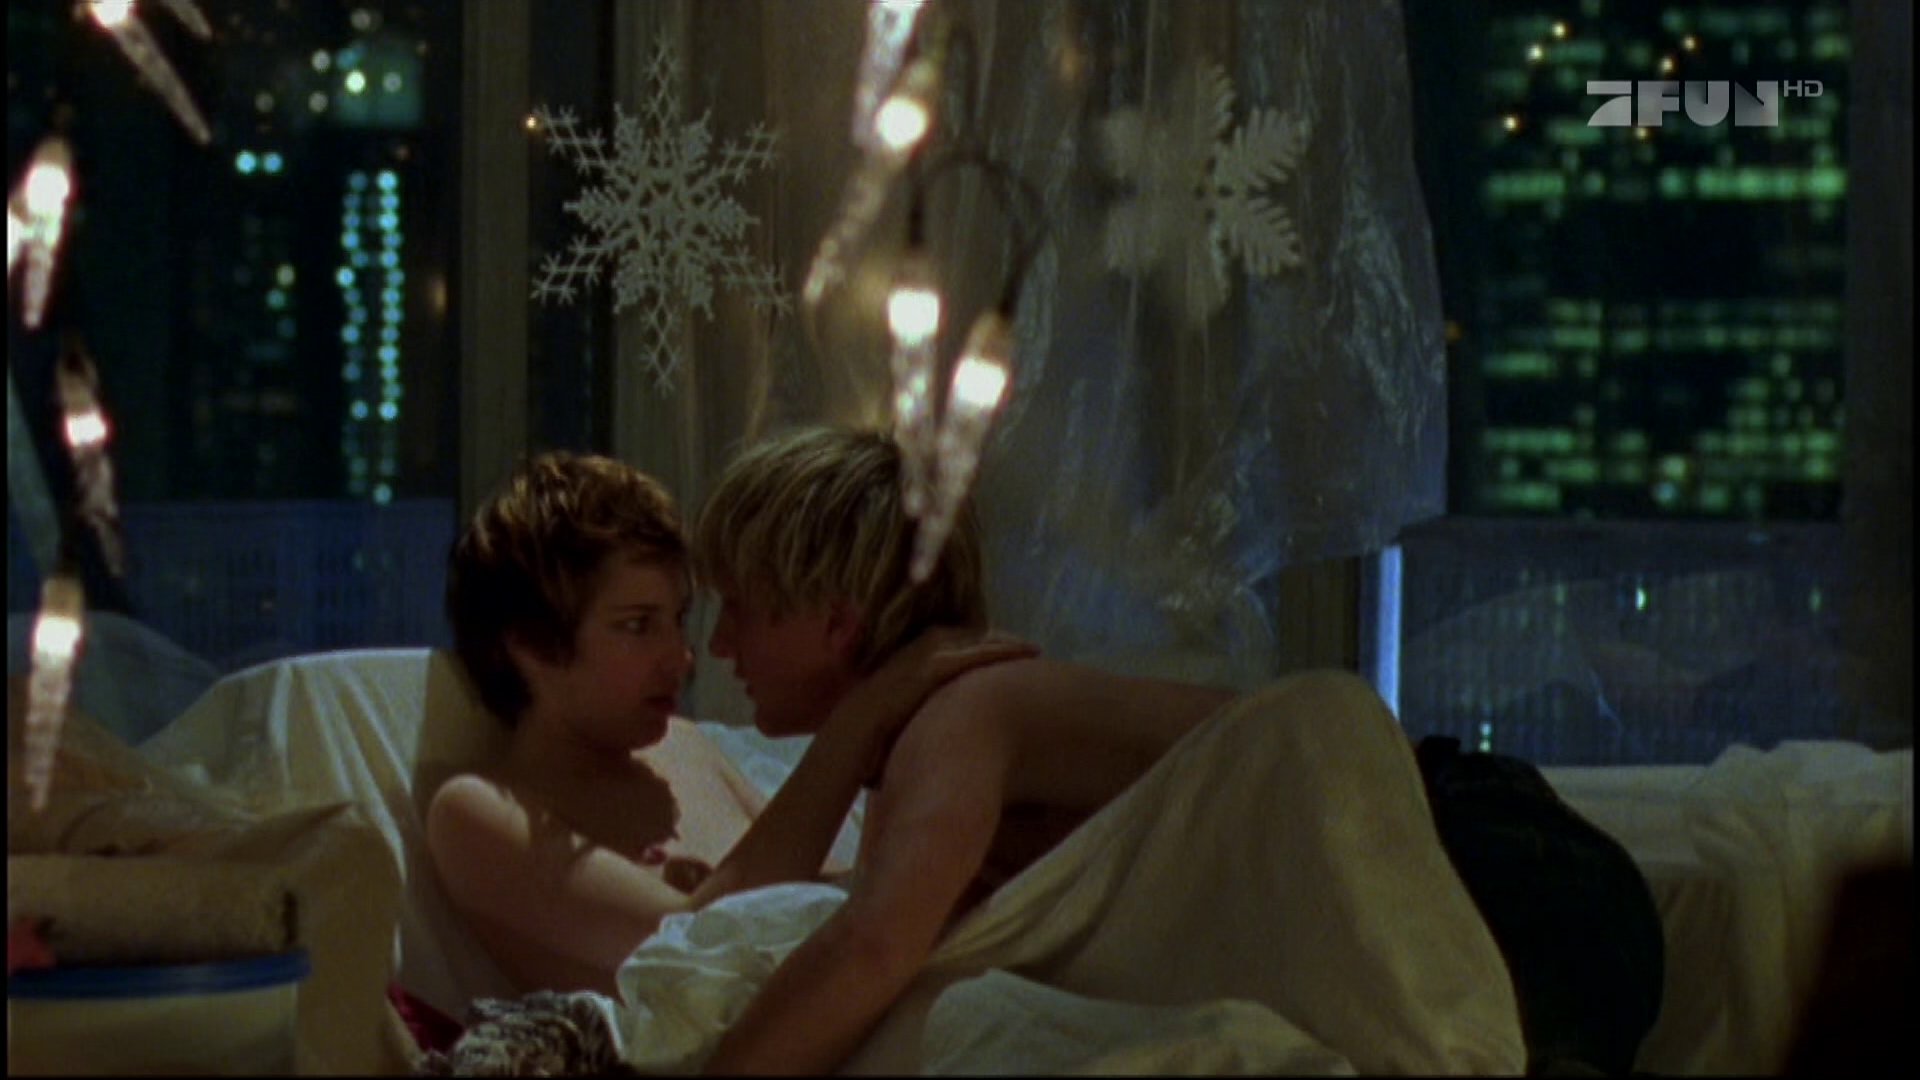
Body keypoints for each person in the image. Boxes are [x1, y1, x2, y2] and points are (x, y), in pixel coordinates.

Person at [688, 425, 1513, 1075]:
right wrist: (851, 733)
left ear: (836, 625)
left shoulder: (961, 715)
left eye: (740, 610)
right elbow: (723, 913)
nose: (719, 646)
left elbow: (871, 950)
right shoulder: (912, 739)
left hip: (1461, 839)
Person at [424, 450, 1029, 999]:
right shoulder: (476, 812)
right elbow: (702, 948)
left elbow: (810, 900)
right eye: (637, 625)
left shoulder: (683, 749)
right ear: (531, 646)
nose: (682, 658)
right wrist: (861, 720)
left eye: (678, 619)